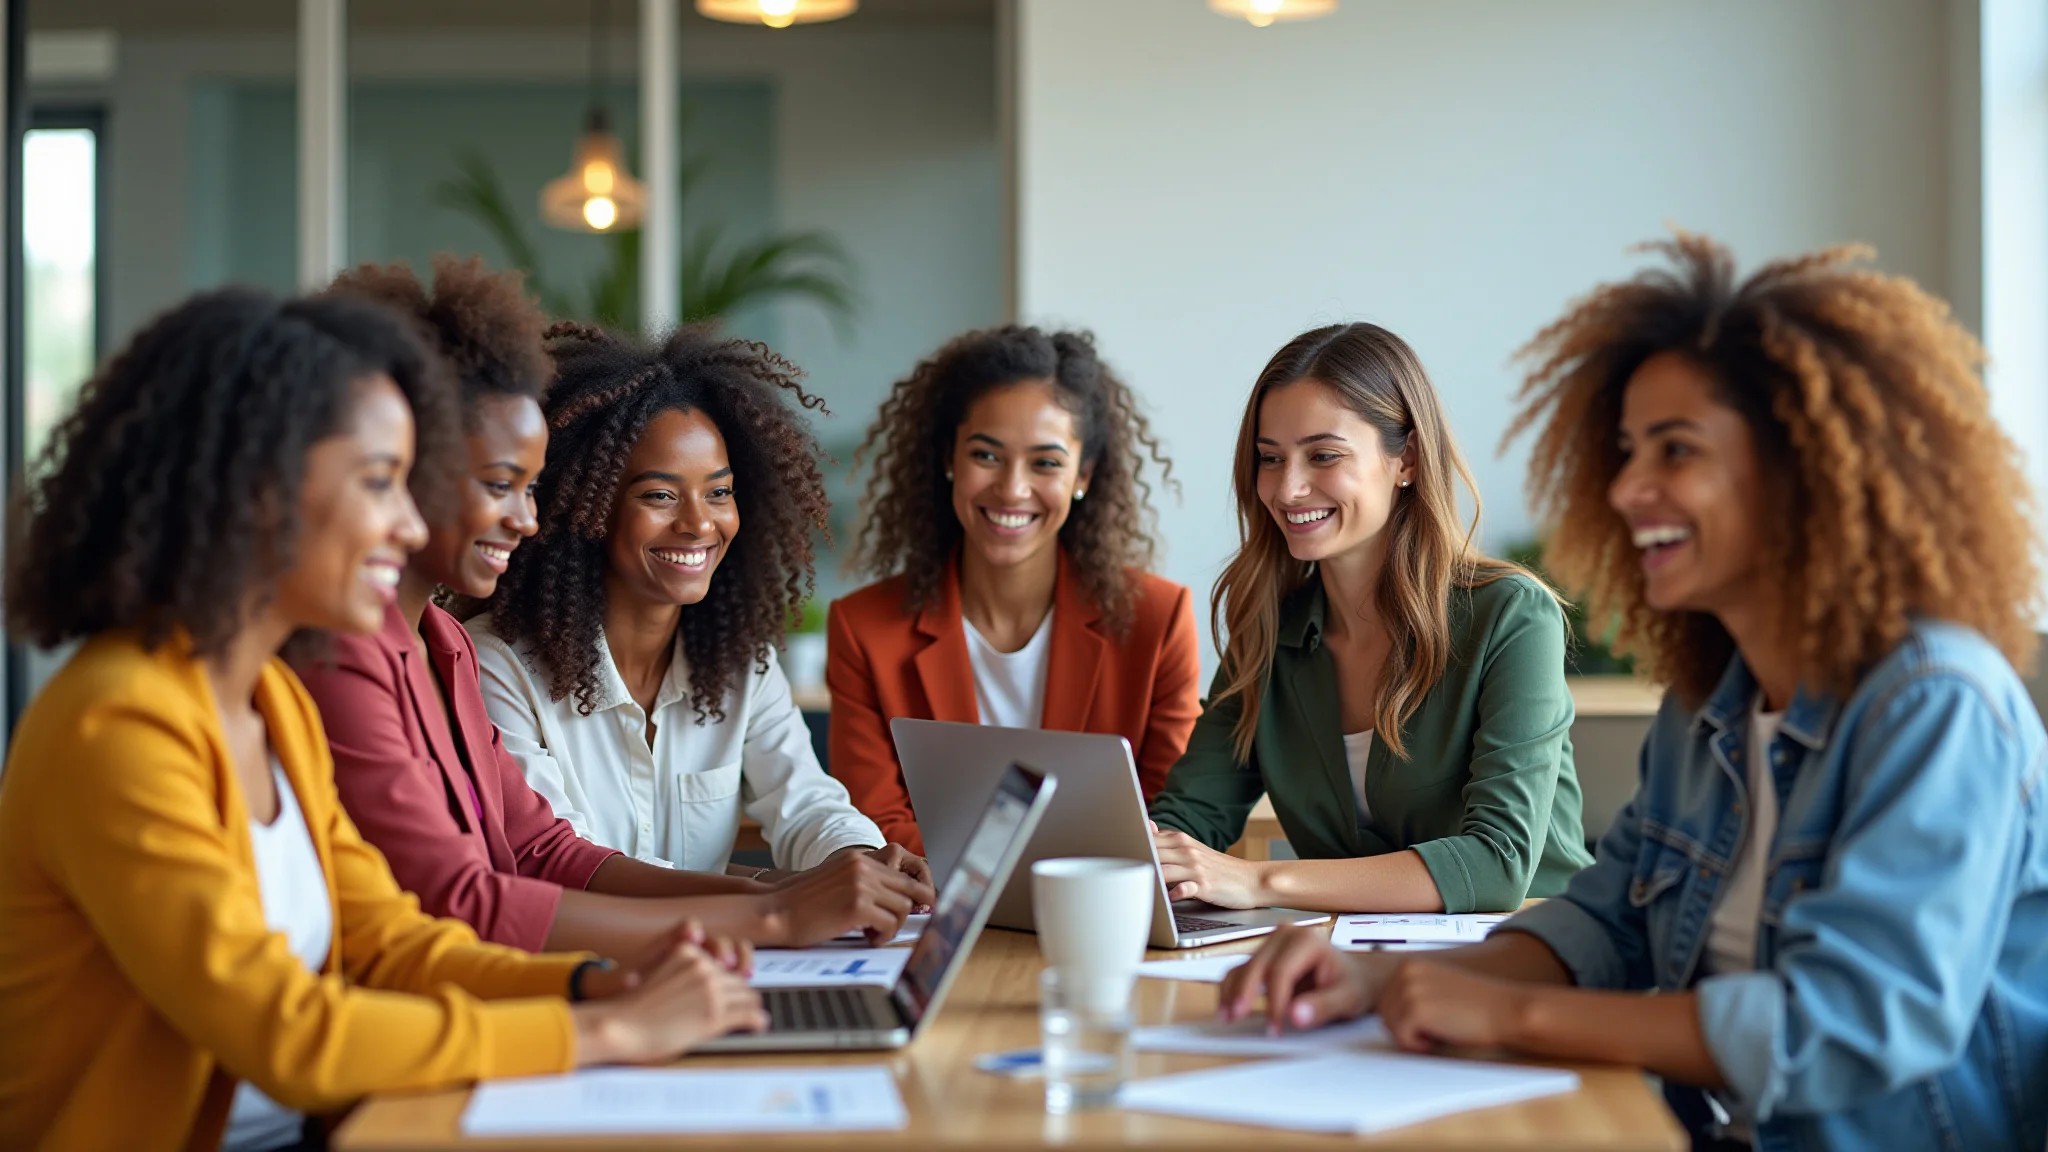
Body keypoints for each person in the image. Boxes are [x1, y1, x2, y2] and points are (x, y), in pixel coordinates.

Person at [1220, 236, 2048, 1151]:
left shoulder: (1937, 704)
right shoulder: (1709, 703)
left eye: (1675, 450)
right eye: (1624, 452)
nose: (1625, 489)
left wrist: (1509, 1015)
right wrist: (1387, 983)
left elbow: (1848, 1025)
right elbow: (1608, 920)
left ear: (1803, 466)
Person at [0, 288, 764, 1152]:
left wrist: (594, 986)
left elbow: (393, 944)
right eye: (380, 483)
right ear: (254, 490)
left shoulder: (273, 704)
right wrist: (605, 1031)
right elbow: (289, 1033)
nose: (408, 523)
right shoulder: (118, 722)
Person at [300, 257, 894, 958]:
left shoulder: (444, 647)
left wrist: (797, 892)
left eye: (530, 489)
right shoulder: (366, 656)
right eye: (499, 484)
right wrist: (770, 915)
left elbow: (543, 850)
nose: (526, 519)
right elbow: (466, 899)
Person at [469, 322, 933, 943]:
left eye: (719, 492)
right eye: (660, 496)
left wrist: (863, 860)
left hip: (722, 970)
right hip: (579, 974)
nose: (698, 523)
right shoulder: (495, 665)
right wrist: (778, 899)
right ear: (585, 506)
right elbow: (560, 862)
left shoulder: (741, 662)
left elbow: (804, 800)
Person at [1146, 322, 1592, 914]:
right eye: (1270, 458)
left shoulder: (1511, 615)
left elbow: (1497, 863)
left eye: (1323, 455)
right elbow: (1190, 815)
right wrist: (1141, 856)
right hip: (1348, 953)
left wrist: (1259, 881)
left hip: (1530, 947)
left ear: (1407, 459)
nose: (1288, 488)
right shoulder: (1268, 630)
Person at [830, 325, 1199, 854]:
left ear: (1083, 475)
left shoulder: (1158, 619)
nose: (1012, 489)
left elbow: (1169, 817)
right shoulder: (864, 628)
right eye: (986, 455)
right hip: (931, 902)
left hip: (1100, 899)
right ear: (949, 459)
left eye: (1045, 463)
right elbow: (875, 823)